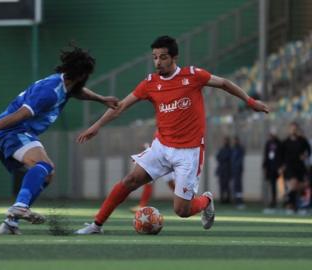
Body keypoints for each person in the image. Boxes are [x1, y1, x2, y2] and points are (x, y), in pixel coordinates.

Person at [75, 35, 269, 234]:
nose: (158, 62)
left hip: (189, 152)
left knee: (182, 210)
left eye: (163, 57)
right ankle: (96, 225)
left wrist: (250, 102)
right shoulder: (149, 83)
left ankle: (206, 200)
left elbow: (224, 83)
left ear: (174, 57)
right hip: (161, 147)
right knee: (130, 180)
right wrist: (96, 125)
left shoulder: (193, 76)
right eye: (155, 57)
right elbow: (120, 106)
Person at [0, 45, 120, 235]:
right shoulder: (49, 92)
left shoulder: (65, 84)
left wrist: (101, 99)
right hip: (11, 131)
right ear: (82, 75)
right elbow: (22, 113)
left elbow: (77, 91)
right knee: (44, 165)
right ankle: (20, 206)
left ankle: (11, 223)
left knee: (46, 174)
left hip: (12, 132)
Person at [130, 143, 175, 213]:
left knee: (172, 184)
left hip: (166, 161)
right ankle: (142, 205)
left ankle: (188, 202)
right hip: (158, 161)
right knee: (148, 182)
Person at [281, 122, 311, 213]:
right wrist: (282, 166)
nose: (293, 130)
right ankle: (290, 205)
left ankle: (292, 201)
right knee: (294, 184)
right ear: (289, 129)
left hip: (300, 166)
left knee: (303, 185)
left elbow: (308, 151)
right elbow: (281, 155)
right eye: (292, 128)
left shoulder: (302, 140)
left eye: (295, 128)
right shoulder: (285, 142)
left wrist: (305, 156)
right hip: (290, 167)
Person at [262, 127, 282, 211]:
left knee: (275, 185)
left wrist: (280, 166)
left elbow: (281, 156)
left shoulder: (279, 143)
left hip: (276, 168)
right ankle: (267, 201)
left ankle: (274, 201)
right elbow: (266, 155)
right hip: (269, 167)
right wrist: (264, 166)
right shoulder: (268, 143)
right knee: (268, 185)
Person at [230, 136, 245, 209]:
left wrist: (236, 167)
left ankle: (240, 201)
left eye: (236, 140)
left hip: (238, 170)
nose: (235, 142)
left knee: (238, 185)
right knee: (235, 186)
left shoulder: (240, 149)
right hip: (233, 170)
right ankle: (236, 201)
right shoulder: (233, 149)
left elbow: (239, 160)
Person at [215, 137, 232, 204]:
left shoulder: (230, 149)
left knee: (227, 185)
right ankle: (222, 199)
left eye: (226, 141)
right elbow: (218, 157)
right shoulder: (221, 149)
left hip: (227, 170)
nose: (225, 142)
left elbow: (227, 158)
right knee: (221, 185)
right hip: (221, 170)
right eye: (224, 140)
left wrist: (223, 158)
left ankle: (228, 199)